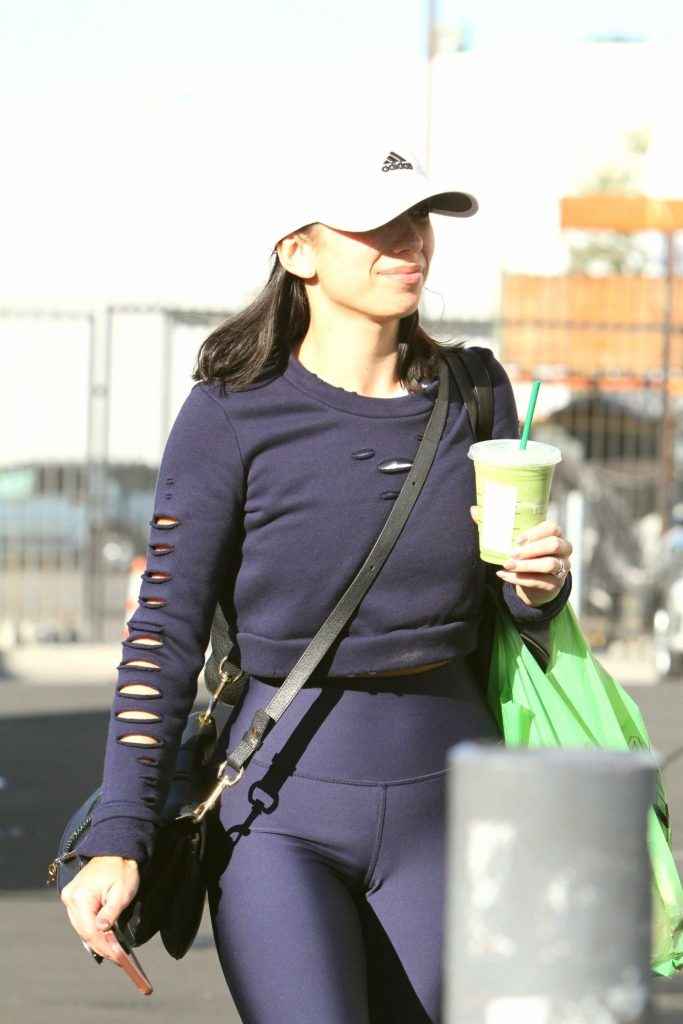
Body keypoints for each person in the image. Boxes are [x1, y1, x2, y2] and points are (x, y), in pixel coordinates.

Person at [60, 136, 573, 1023]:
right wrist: (119, 835)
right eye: (377, 223)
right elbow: (162, 637)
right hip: (278, 813)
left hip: (454, 802)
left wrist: (537, 586)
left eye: (420, 219)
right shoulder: (231, 412)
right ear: (297, 251)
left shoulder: (476, 392)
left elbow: (509, 599)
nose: (409, 241)